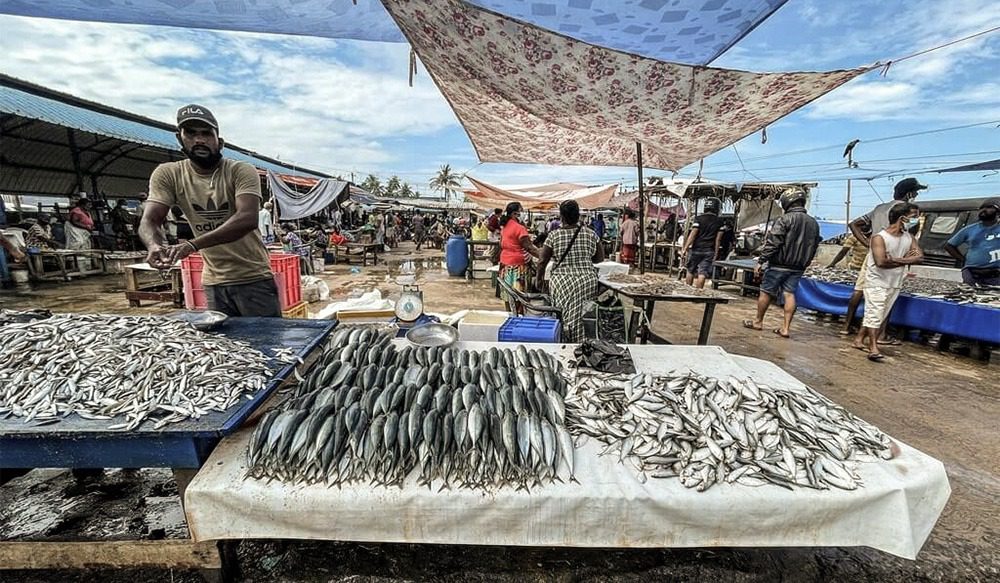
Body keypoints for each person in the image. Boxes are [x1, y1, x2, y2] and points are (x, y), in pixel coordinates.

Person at [141, 104, 280, 317]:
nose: (199, 140)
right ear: (180, 139)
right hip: (214, 281)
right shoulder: (168, 174)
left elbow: (247, 218)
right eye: (191, 133)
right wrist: (154, 245)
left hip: (253, 277)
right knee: (223, 344)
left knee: (267, 342)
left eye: (206, 133)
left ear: (220, 142)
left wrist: (192, 245)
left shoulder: (240, 171)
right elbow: (150, 219)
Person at [843, 177, 927, 335]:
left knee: (859, 290)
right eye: (915, 192)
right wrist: (905, 259)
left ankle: (847, 327)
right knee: (887, 296)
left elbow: (854, 224)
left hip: (873, 255)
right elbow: (911, 238)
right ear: (909, 194)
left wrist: (869, 244)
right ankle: (880, 335)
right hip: (893, 256)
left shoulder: (879, 208)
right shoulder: (908, 211)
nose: (916, 194)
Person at [743, 189, 821, 338]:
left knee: (766, 292)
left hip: (779, 265)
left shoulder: (784, 220)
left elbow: (774, 242)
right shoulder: (813, 223)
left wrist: (761, 260)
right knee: (789, 294)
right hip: (798, 267)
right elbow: (814, 246)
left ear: (786, 202)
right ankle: (785, 328)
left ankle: (758, 322)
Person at [852, 203, 923, 362]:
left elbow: (920, 256)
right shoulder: (879, 237)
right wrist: (906, 260)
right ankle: (873, 347)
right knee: (876, 312)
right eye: (913, 216)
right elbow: (881, 262)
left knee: (878, 313)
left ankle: (859, 339)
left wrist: (897, 260)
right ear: (902, 218)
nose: (916, 220)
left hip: (894, 281)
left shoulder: (908, 238)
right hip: (877, 281)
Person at [535, 201, 605, 343]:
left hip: (561, 282)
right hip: (587, 282)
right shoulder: (591, 234)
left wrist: (539, 280)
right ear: (578, 215)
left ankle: (564, 340)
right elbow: (599, 259)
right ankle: (582, 343)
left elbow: (542, 261)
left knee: (563, 314)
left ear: (561, 216)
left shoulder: (554, 236)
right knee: (583, 315)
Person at [944, 198, 1000, 286]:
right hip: (971, 273)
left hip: (996, 274)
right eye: (981, 208)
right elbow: (949, 245)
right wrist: (962, 259)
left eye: (989, 207)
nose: (983, 210)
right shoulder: (969, 229)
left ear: (998, 212)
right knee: (970, 295)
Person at [499, 202, 542, 310]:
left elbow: (501, 244)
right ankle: (519, 319)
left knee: (507, 295)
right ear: (515, 213)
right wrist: (543, 256)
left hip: (505, 265)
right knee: (520, 297)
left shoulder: (504, 226)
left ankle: (509, 315)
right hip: (519, 267)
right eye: (521, 211)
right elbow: (529, 248)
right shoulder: (519, 228)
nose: (523, 214)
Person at [679, 197, 728, 289]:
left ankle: (687, 291)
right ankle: (698, 295)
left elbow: (692, 235)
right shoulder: (720, 222)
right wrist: (716, 253)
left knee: (690, 271)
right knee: (702, 273)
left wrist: (685, 248)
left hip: (696, 248)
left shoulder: (699, 219)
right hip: (709, 250)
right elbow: (718, 240)